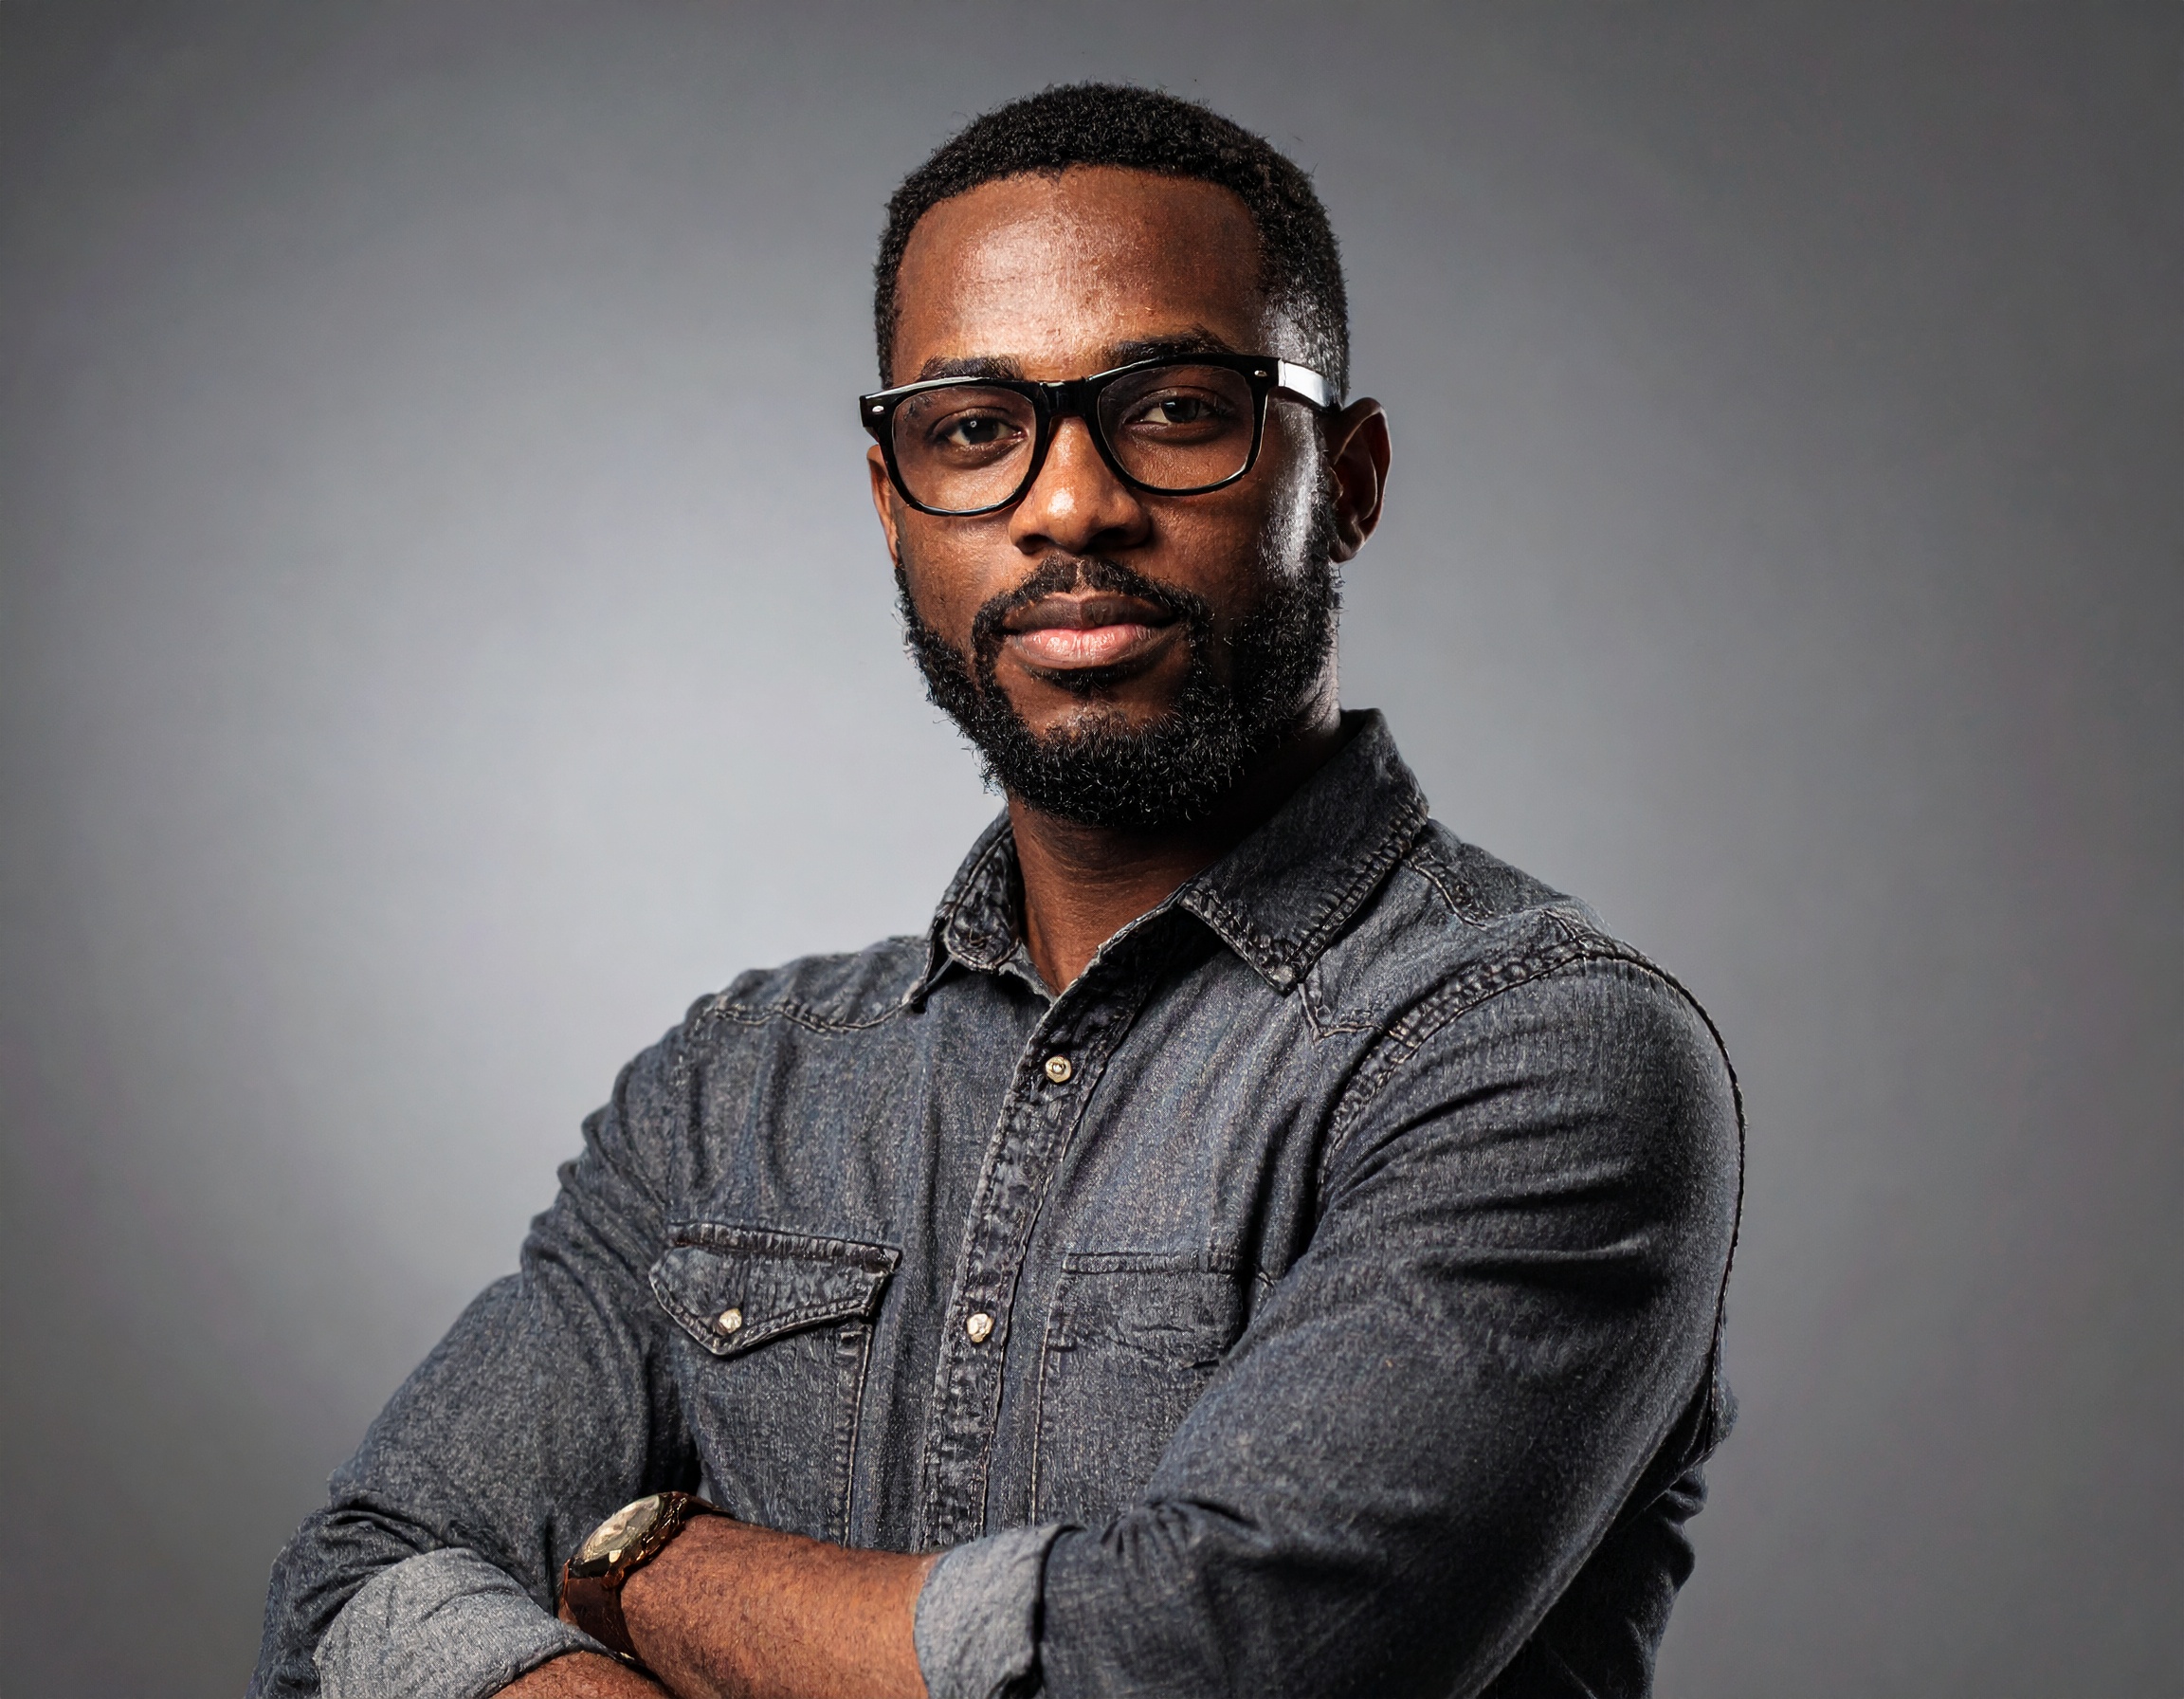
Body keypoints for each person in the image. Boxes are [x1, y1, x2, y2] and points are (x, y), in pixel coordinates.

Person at [253, 83, 1742, 1699]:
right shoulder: (732, 1092)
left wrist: (651, 1573)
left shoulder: (1537, 1058)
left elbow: (1202, 1670)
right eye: (973, 429)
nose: (1067, 502)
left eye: (1175, 407)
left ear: (1352, 479)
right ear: (893, 505)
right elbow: (360, 1589)